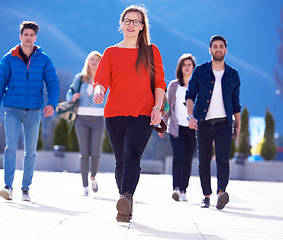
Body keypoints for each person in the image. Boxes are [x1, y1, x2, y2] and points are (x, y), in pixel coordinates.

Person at [93, 5, 166, 222]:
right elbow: (101, 81)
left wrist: (157, 108)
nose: (131, 25)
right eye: (127, 20)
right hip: (114, 113)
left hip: (143, 113)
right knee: (120, 161)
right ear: (121, 24)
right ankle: (125, 202)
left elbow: (160, 84)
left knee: (131, 156)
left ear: (142, 26)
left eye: (136, 21)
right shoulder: (110, 52)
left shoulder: (152, 51)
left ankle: (125, 196)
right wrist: (98, 92)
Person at [0, 21, 60, 202]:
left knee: (30, 151)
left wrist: (51, 103)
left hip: (34, 110)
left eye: (32, 35)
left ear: (35, 37)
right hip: (12, 109)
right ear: (20, 36)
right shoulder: (9, 58)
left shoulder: (44, 59)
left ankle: (25, 188)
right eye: (25, 34)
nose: (28, 38)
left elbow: (53, 82)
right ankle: (8, 187)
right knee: (10, 148)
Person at [185, 35, 241, 210]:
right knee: (204, 161)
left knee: (223, 159)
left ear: (225, 50)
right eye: (215, 46)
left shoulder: (233, 74)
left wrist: (238, 125)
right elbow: (190, 95)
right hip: (203, 122)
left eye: (221, 46)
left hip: (224, 123)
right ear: (210, 50)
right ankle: (206, 196)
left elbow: (236, 103)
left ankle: (221, 193)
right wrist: (190, 116)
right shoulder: (200, 71)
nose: (218, 49)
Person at [66, 51, 106, 196]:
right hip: (81, 119)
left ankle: (93, 177)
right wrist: (72, 97)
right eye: (92, 59)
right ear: (87, 62)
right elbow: (70, 93)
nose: (94, 62)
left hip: (98, 119)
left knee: (95, 153)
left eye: (97, 60)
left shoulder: (105, 79)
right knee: (84, 153)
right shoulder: (81, 78)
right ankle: (85, 186)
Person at [159, 54, 197, 202]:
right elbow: (168, 107)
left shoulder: (197, 85)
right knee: (178, 157)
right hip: (176, 127)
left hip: (192, 129)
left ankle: (183, 190)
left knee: (187, 160)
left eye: (189, 65)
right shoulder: (174, 85)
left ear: (193, 68)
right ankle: (175, 188)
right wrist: (162, 125)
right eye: (184, 65)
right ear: (180, 68)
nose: (187, 67)